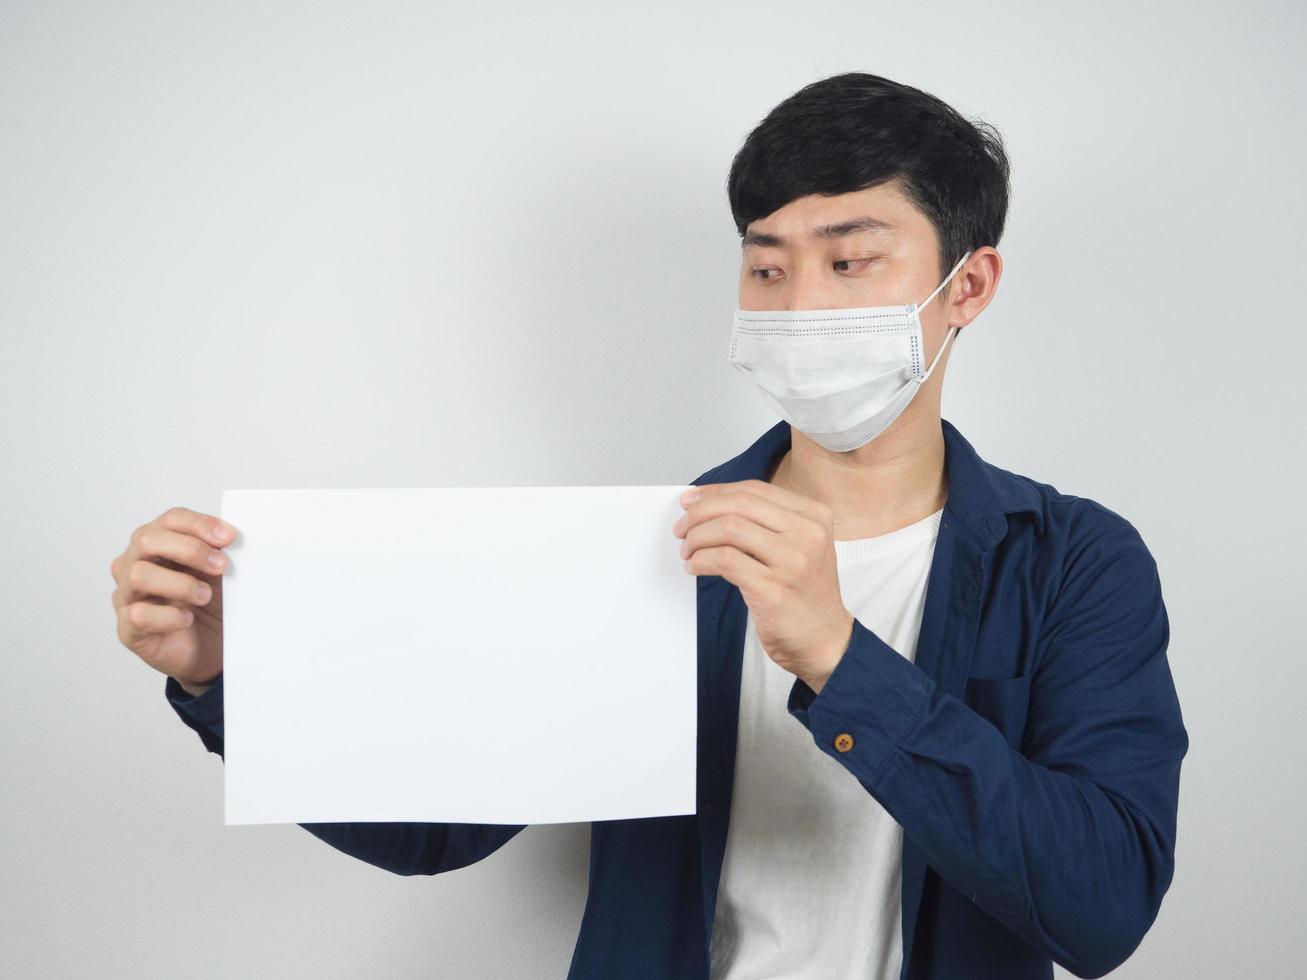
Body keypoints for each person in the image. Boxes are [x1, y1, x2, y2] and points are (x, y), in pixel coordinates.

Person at [110, 71, 1188, 980]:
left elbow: (1101, 906)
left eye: (850, 260)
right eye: (766, 266)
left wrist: (840, 658)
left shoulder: (1073, 562)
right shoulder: (643, 554)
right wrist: (228, 680)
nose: (800, 303)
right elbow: (429, 826)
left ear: (969, 284)